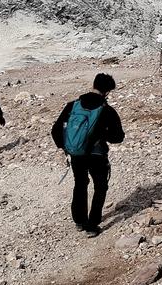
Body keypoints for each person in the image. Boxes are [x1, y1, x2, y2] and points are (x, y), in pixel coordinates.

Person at [51, 72, 124, 237]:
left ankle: (79, 220)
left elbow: (56, 129)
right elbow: (118, 137)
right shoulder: (107, 110)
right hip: (97, 155)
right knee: (100, 186)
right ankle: (92, 225)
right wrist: (102, 135)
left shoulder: (73, 105)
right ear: (108, 91)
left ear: (94, 85)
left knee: (80, 184)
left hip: (76, 154)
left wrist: (65, 147)